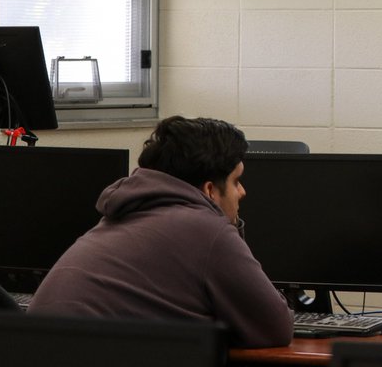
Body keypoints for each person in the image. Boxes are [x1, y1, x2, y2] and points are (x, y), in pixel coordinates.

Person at [29, 116, 293, 348]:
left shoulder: (118, 216)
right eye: (236, 181)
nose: (242, 192)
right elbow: (274, 327)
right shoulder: (205, 229)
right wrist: (229, 227)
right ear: (210, 190)